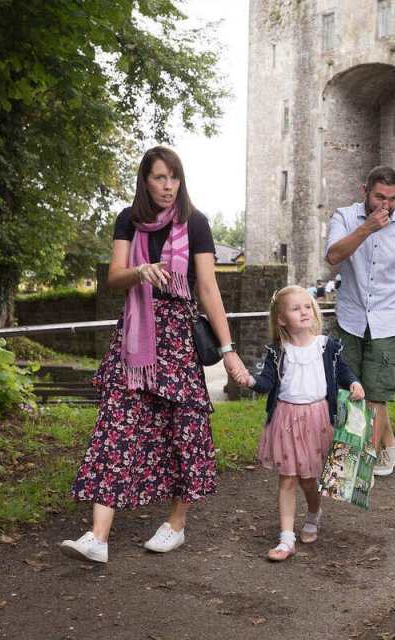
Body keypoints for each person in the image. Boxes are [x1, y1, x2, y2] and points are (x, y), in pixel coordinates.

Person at [59, 146, 248, 564]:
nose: (168, 186)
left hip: (178, 338)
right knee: (116, 426)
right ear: (145, 181)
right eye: (160, 177)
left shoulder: (195, 222)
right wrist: (139, 272)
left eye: (174, 177)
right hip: (135, 336)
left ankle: (175, 526)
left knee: (186, 430)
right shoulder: (128, 219)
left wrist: (229, 350)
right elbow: (114, 277)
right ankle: (97, 537)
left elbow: (207, 288)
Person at [234, 285, 364, 561]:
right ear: (282, 319)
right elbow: (266, 383)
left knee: (308, 480)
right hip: (286, 420)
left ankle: (314, 513)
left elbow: (343, 372)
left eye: (307, 306)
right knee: (288, 478)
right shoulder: (277, 351)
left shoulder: (328, 346)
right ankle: (286, 539)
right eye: (296, 308)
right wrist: (250, 381)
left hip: (318, 419)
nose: (304, 312)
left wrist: (354, 383)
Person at [325, 165, 395, 477]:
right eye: (379, 197)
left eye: (393, 199)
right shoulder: (344, 217)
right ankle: (389, 445)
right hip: (350, 319)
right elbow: (333, 256)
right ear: (365, 191)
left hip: (389, 322)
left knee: (376, 395)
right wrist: (367, 228)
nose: (386, 205)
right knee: (350, 394)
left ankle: (359, 469)